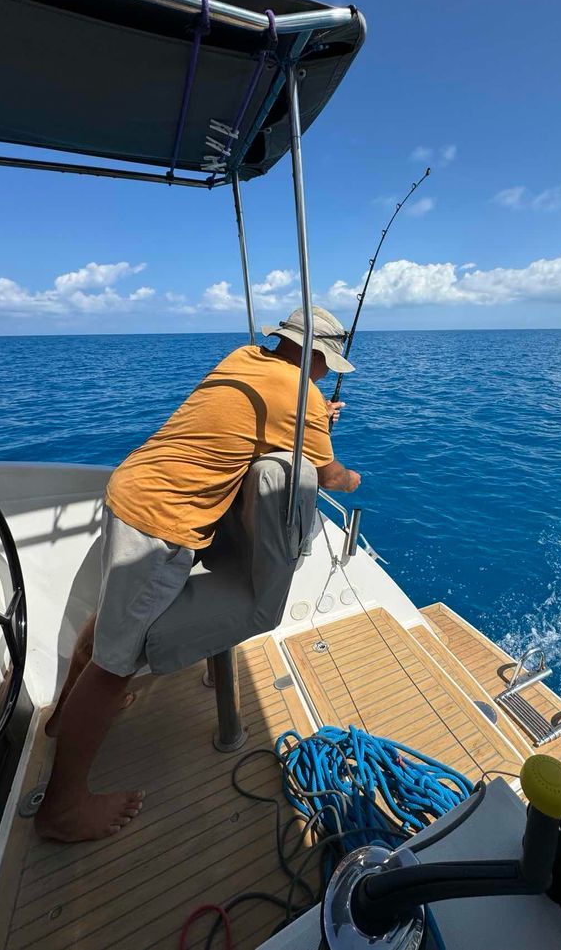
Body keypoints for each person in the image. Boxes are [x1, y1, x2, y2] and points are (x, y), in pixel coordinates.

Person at [37, 307, 360, 842]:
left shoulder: (247, 359)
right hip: (162, 520)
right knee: (114, 666)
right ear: (313, 354)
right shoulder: (301, 396)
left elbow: (252, 418)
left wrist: (315, 419)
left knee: (111, 625)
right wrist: (351, 474)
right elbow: (330, 476)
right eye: (327, 365)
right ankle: (62, 807)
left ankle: (58, 724)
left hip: (133, 487)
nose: (327, 376)